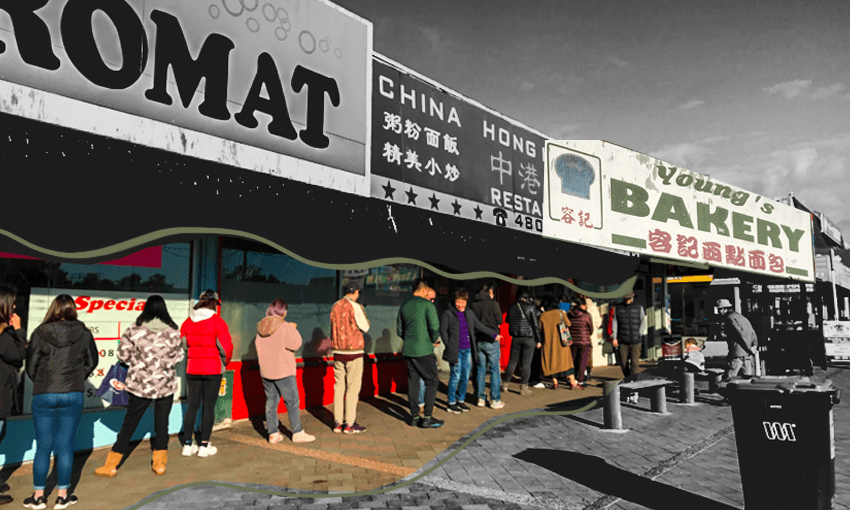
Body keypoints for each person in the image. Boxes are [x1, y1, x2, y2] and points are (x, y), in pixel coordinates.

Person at [94, 295, 185, 478]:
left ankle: (111, 465)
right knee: (162, 424)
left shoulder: (134, 330)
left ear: (147, 309)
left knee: (129, 424)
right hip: (165, 385)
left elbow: (123, 355)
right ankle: (160, 464)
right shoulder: (174, 332)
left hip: (139, 385)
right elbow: (179, 357)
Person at [24, 294, 98, 510]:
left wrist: (43, 382)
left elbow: (30, 366)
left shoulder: (40, 332)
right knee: (65, 446)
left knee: (43, 447)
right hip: (72, 393)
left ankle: (38, 497)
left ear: (53, 309)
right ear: (73, 309)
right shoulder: (83, 332)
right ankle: (62, 497)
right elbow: (92, 361)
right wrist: (77, 378)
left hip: (44, 393)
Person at [180, 290, 233, 458]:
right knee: (208, 407)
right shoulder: (218, 322)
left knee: (192, 406)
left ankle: (187, 445)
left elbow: (183, 345)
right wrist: (224, 362)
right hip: (212, 369)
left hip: (192, 369)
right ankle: (204, 446)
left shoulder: (187, 322)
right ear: (214, 304)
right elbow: (226, 348)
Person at [256, 298, 315, 443]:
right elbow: (296, 344)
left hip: (266, 371)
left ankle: (272, 433)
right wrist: (292, 329)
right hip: (283, 370)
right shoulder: (284, 326)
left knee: (271, 401)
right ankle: (297, 432)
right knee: (292, 401)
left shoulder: (261, 327)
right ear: (283, 311)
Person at [440, 288, 500, 414]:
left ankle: (460, 400)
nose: (460, 305)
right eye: (458, 301)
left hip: (467, 350)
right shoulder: (448, 314)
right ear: (454, 301)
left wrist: (493, 334)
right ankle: (451, 402)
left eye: (463, 302)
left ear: (466, 302)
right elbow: (443, 331)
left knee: (465, 376)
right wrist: (449, 345)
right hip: (455, 350)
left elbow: (479, 325)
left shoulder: (469, 313)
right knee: (455, 376)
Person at [397, 279, 443, 428]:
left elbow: (399, 330)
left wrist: (410, 339)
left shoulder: (404, 305)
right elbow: (434, 326)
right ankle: (427, 417)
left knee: (413, 383)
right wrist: (434, 339)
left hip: (409, 350)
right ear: (423, 290)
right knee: (432, 381)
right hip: (424, 349)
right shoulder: (428, 305)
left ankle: (414, 417)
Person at [329, 282, 370, 434]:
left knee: (339, 387)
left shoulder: (335, 306)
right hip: (354, 351)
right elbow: (365, 327)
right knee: (352, 388)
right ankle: (349, 424)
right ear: (356, 291)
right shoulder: (356, 306)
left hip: (338, 351)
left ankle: (337, 423)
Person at [0, 286, 25, 506]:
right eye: (13, 302)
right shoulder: (4, 335)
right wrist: (18, 330)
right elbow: (18, 356)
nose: (15, 306)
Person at [469, 282, 504, 406]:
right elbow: (500, 320)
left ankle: (480, 398)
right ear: (490, 291)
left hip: (478, 339)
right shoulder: (493, 304)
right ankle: (495, 399)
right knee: (494, 370)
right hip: (492, 339)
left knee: (480, 369)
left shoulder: (473, 305)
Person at [502, 289, 542, 396]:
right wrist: (539, 340)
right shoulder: (531, 307)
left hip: (516, 337)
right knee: (526, 363)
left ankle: (505, 384)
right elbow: (535, 325)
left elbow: (507, 320)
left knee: (512, 361)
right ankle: (523, 387)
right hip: (529, 338)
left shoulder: (512, 307)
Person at [539, 296, 579, 390]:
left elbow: (540, 329)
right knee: (567, 363)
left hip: (549, 343)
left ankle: (555, 383)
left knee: (552, 363)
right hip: (562, 342)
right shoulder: (560, 312)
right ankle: (572, 383)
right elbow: (568, 324)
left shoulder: (542, 316)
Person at [716, 299, 757, 380]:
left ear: (724, 309)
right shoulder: (741, 317)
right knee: (748, 379)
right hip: (747, 354)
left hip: (737, 352)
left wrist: (747, 347)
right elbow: (752, 332)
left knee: (729, 378)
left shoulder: (729, 318)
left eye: (719, 309)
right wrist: (753, 346)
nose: (718, 312)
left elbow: (739, 334)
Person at [612, 291, 646, 379]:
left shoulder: (639, 307)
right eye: (626, 298)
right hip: (622, 340)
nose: (628, 300)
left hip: (636, 341)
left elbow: (643, 321)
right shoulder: (618, 307)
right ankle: (628, 378)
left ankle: (633, 381)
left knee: (635, 364)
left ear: (633, 297)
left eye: (629, 298)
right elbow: (615, 322)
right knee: (623, 363)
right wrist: (614, 337)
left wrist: (639, 333)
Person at [417, 289, 440, 412]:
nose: (432, 301)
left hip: (424, 348)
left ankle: (423, 402)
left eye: (434, 299)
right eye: (430, 299)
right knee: (424, 378)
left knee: (425, 378)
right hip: (421, 348)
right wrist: (432, 339)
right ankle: (422, 404)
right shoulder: (422, 311)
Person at [567, 296, 594, 388]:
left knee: (573, 361)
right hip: (584, 341)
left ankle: (572, 379)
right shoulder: (586, 315)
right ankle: (581, 381)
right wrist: (587, 334)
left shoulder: (569, 314)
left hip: (573, 341)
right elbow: (591, 329)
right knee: (583, 362)